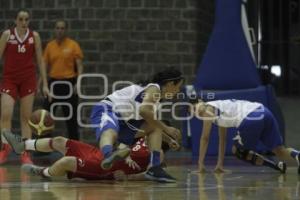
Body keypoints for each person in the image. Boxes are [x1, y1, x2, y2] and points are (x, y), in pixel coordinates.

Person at [90, 67, 184, 182]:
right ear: (170, 84)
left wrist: (168, 140)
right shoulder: (154, 89)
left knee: (154, 127)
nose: (178, 91)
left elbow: (150, 121)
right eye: (178, 87)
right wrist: (167, 128)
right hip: (109, 108)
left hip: (126, 121)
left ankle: (154, 168)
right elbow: (144, 111)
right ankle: (108, 154)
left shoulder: (157, 100)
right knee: (110, 131)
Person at [2, 130, 178, 181]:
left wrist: (129, 178)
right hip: (99, 154)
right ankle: (22, 144)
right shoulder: (141, 136)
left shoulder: (158, 153)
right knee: (60, 140)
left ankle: (43, 172)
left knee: (66, 161)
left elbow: (151, 173)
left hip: (104, 168)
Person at [189, 99, 300, 174]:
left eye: (194, 108)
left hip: (251, 117)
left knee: (237, 151)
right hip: (264, 111)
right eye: (194, 113)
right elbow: (222, 140)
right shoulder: (219, 107)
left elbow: (205, 138)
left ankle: (274, 166)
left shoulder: (208, 110)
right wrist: (219, 165)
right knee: (280, 151)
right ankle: (294, 157)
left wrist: (200, 165)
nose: (196, 112)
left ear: (200, 101)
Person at [0, 9, 49, 164]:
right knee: (6, 114)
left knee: (26, 118)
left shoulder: (34, 36)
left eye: (26, 19)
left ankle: (25, 152)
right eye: (20, 19)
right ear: (16, 20)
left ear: (29, 21)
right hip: (10, 79)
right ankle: (5, 147)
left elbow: (40, 61)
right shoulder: (7, 35)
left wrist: (45, 84)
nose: (23, 22)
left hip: (28, 79)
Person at [43, 20, 83, 140]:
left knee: (71, 117)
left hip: (69, 84)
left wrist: (78, 83)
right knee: (45, 117)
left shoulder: (73, 45)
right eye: (58, 28)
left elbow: (80, 66)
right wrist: (43, 85)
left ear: (66, 30)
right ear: (55, 30)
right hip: (53, 84)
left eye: (62, 28)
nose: (60, 30)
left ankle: (75, 145)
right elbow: (44, 67)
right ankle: (43, 146)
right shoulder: (50, 46)